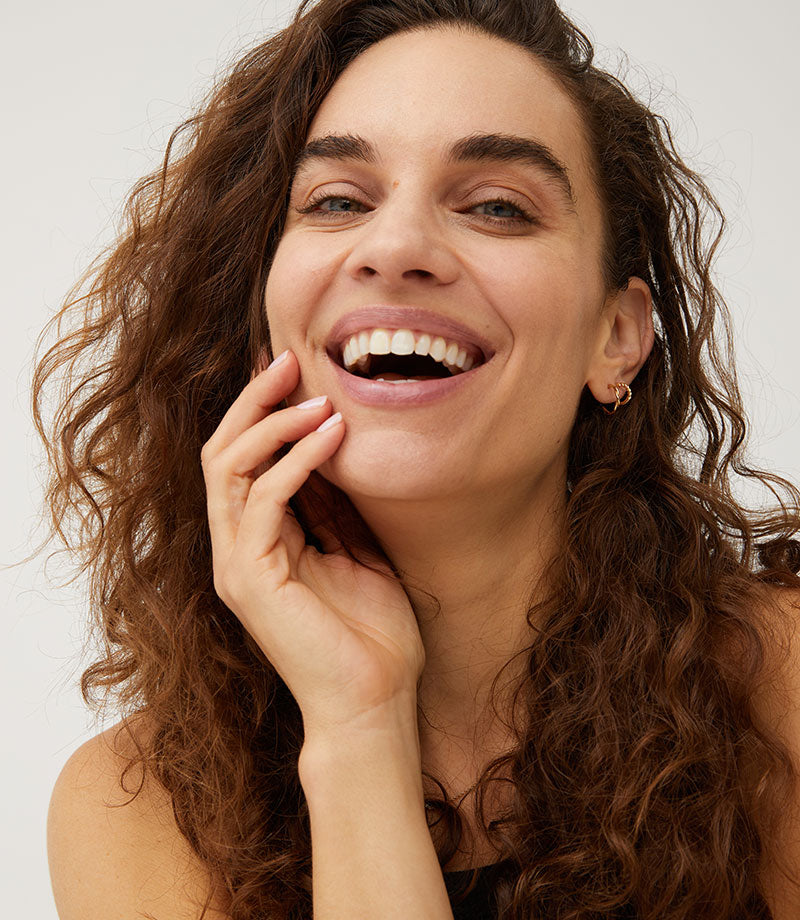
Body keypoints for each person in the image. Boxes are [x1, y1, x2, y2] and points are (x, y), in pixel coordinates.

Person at [34, 0, 800, 917]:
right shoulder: (135, 806)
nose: (395, 248)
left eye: (497, 208)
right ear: (263, 317)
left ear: (618, 338)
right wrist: (358, 725)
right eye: (338, 202)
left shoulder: (779, 688)